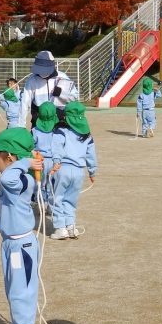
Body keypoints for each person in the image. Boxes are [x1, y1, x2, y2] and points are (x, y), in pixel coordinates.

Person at [0, 127, 45, 324]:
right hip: (11, 243)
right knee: (14, 288)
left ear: (10, 158)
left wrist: (25, 163)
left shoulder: (18, 180)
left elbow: (7, 175)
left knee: (20, 291)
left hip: (21, 247)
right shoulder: (17, 177)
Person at [49, 101, 97, 240]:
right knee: (71, 200)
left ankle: (60, 228)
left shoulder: (61, 131)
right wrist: (92, 172)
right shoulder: (87, 135)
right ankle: (71, 227)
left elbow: (56, 147)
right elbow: (91, 155)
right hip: (79, 172)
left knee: (56, 198)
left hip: (62, 168)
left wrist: (56, 162)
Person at [18, 50, 79, 128]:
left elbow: (74, 96)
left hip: (59, 118)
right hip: (39, 119)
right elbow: (24, 103)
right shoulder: (32, 80)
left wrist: (61, 94)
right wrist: (20, 126)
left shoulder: (62, 77)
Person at [31, 101, 59, 209]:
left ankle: (41, 202)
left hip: (39, 160)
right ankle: (51, 205)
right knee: (52, 184)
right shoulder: (57, 130)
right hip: (54, 161)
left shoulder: (34, 130)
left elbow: (31, 146)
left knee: (39, 183)